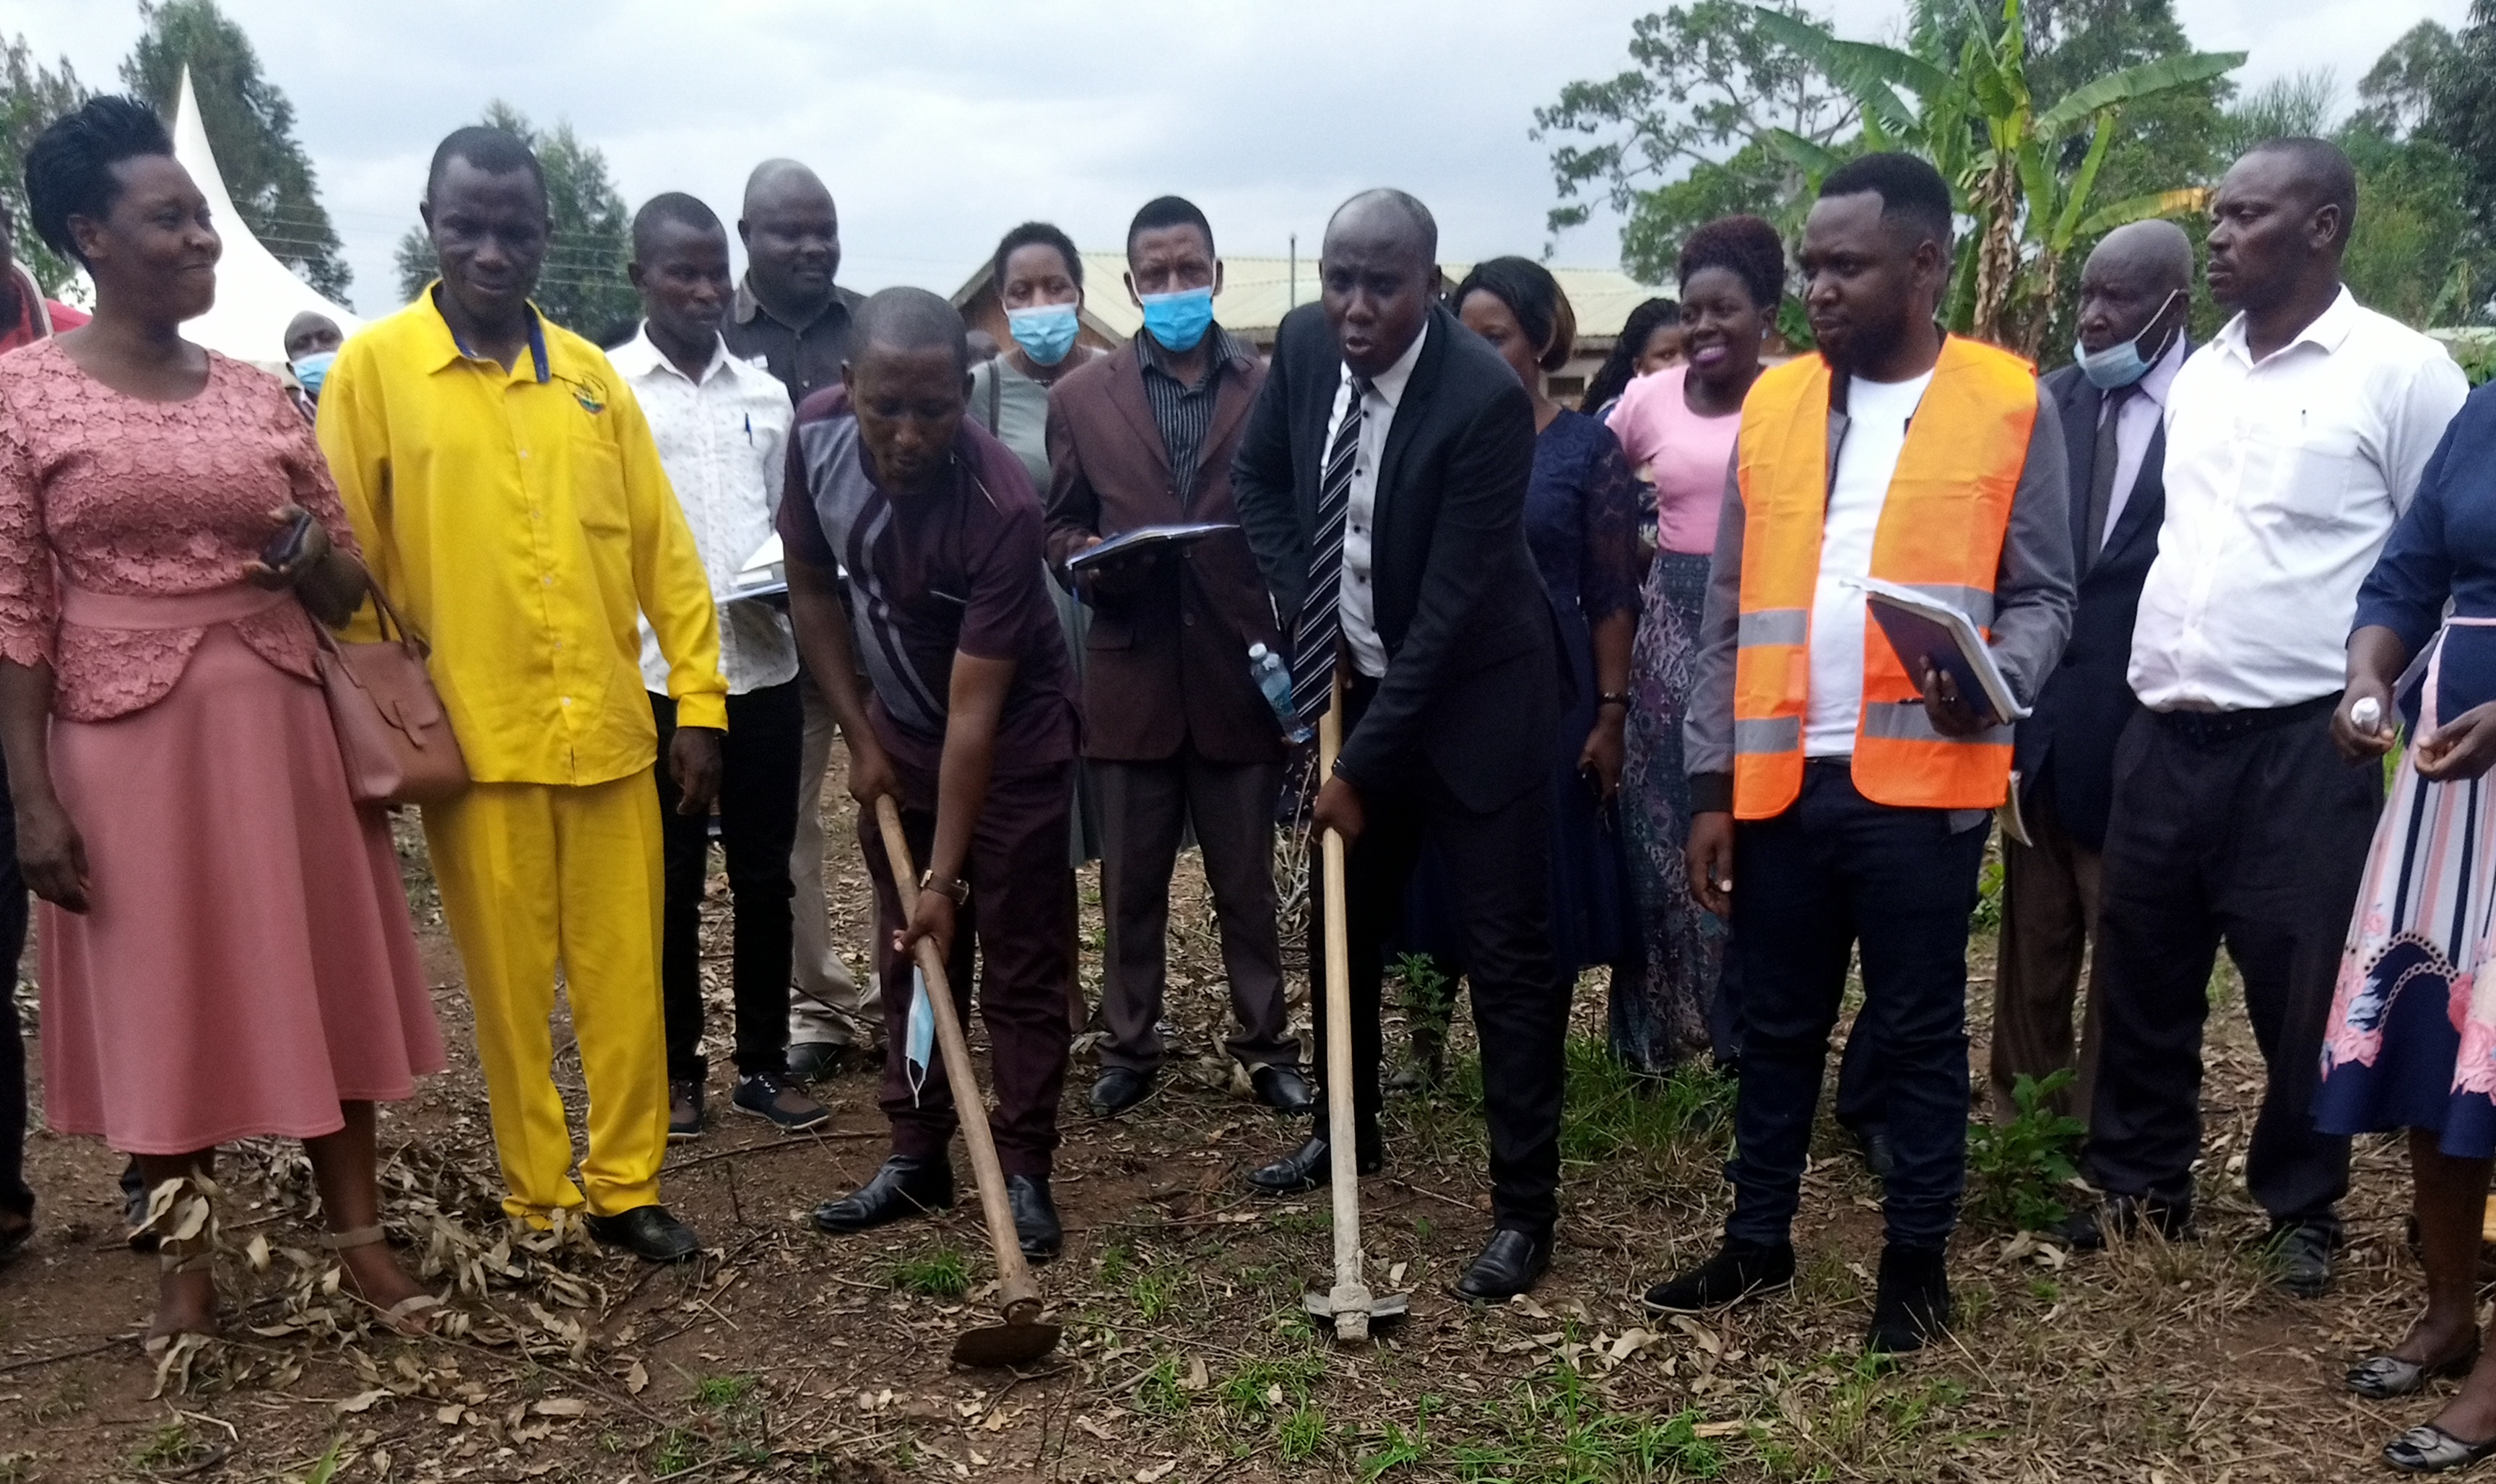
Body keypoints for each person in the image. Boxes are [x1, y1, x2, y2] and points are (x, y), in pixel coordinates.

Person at [0, 96, 444, 1335]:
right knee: (163, 990)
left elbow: (349, 586)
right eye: (170, 219)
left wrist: (309, 556)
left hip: (283, 729)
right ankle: (185, 1269)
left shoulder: (258, 394)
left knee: (321, 968)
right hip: (123, 744)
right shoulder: (22, 399)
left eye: (202, 216)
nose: (201, 237)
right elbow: (15, 608)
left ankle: (361, 1242)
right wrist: (31, 795)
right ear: (89, 236)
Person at [1642, 155, 2074, 1353]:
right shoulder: (1776, 402)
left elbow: (2046, 596)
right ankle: (1757, 1240)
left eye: (1847, 265)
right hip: (1780, 778)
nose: (1819, 288)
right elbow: (1730, 612)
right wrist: (1711, 783)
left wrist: (1997, 679)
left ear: (1925, 265)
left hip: (1923, 787)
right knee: (1776, 1026)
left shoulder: (2008, 402)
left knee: (1921, 1032)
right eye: (1811, 265)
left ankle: (1915, 1266)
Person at [2066, 137, 2471, 1298]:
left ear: (2323, 227)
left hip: (2304, 737)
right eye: (2220, 217)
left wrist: (2391, 696)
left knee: (2299, 985)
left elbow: (2439, 560)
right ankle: (2140, 1180)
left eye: (2248, 216)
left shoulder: (2402, 373)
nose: (2221, 237)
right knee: (2142, 962)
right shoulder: (2201, 375)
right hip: (2163, 725)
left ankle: (2301, 1202)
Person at [318, 125, 727, 1263]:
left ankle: (627, 1186)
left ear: (549, 235)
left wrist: (699, 704)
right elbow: (349, 565)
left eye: (515, 230)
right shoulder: (374, 373)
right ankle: (538, 1196)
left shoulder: (592, 380)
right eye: (467, 227)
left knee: (626, 979)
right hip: (474, 745)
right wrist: (392, 708)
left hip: (610, 737)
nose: (491, 252)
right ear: (430, 225)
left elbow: (666, 556)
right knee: (508, 993)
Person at [1231, 188, 1566, 1302]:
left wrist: (1356, 771)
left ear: (1431, 283)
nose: (1356, 307)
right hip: (1361, 679)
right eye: (1340, 280)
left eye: (1383, 284)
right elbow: (1259, 480)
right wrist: (1309, 605)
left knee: (1508, 957)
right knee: (1343, 925)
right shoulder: (1302, 347)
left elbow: (1451, 616)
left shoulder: (1482, 400)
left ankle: (1523, 1209)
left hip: (1477, 702)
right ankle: (1346, 1128)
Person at [788, 289, 1081, 1261]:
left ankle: (1025, 1164)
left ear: (967, 393)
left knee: (1024, 955)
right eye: (885, 408)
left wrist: (946, 879)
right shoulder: (815, 441)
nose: (908, 435)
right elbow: (808, 582)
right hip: (902, 730)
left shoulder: (1003, 503)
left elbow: (976, 713)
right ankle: (917, 1151)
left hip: (1017, 740)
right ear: (848, 387)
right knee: (909, 949)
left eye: (933, 410)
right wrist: (860, 732)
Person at [1043, 195, 1308, 1118]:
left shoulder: (1269, 386)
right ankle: (1130, 1045)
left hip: (1242, 667)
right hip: (1132, 665)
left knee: (1247, 884)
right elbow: (1061, 524)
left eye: (1189, 269)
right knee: (1131, 883)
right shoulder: (1082, 398)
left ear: (1216, 275)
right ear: (1130, 285)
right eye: (1155, 273)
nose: (1174, 285)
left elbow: (1293, 513)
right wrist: (1088, 561)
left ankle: (1266, 1044)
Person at [612, 193, 824, 1140]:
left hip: (763, 665)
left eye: (714, 274)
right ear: (641, 278)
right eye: (681, 273)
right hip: (658, 678)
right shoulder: (611, 390)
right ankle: (679, 1069)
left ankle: (764, 1065)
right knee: (670, 884)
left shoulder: (766, 396)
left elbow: (788, 526)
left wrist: (783, 585)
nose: (704, 291)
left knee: (766, 876)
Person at [1395, 257, 1638, 1083]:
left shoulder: (1587, 448)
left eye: (1494, 336)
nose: (1477, 352)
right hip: (1445, 674)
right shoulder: (1434, 440)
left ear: (1539, 341)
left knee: (1540, 860)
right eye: (1463, 335)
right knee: (1436, 856)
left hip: (1551, 680)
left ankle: (1533, 1052)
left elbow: (1612, 593)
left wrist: (1610, 713)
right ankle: (1425, 1047)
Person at [2323, 381, 2496, 1473]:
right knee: (2438, 1033)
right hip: (2449, 781)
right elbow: (2408, 573)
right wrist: (2369, 678)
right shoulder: (2484, 413)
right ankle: (2449, 1309)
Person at [1992, 221, 2193, 1126]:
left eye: (2120, 298)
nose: (2094, 316)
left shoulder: (2213, 410)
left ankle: (2105, 1128)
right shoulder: (2050, 403)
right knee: (2031, 944)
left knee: (2126, 942)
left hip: (2141, 729)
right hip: (2041, 725)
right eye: (2087, 294)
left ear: (2174, 306)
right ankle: (2021, 1127)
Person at [1606, 215, 1783, 1075]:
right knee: (1654, 836)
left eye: (1725, 310)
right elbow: (1594, 491)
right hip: (1669, 633)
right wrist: (1631, 561)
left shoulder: (1796, 399)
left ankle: (1736, 1039)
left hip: (1767, 625)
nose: (1705, 326)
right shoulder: (1648, 400)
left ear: (1767, 317)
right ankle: (1649, 1043)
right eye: (1692, 311)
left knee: (1752, 833)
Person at [719, 159, 880, 1084]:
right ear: (749, 237)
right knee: (786, 830)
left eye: (826, 229)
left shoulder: (869, 326)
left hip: (876, 626)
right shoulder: (714, 336)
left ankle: (904, 984)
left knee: (895, 808)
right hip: (768, 635)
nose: (813, 246)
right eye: (791, 231)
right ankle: (819, 1005)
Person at [971, 222, 1109, 906]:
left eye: (1055, 287)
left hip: (1109, 615)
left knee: (1121, 802)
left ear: (1079, 293)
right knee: (1043, 802)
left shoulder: (1116, 377)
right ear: (1003, 303)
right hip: (1028, 622)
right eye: (1022, 292)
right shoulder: (982, 393)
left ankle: (1125, 960)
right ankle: (1057, 962)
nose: (1040, 303)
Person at [1577, 298, 1681, 419]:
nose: (1682, 364)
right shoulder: (1617, 420)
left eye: (1690, 353)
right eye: (1667, 356)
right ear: (1638, 366)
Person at [285, 310, 342, 401]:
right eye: (302, 344)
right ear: (292, 369)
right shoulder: (279, 406)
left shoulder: (367, 396)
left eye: (326, 338)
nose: (316, 347)